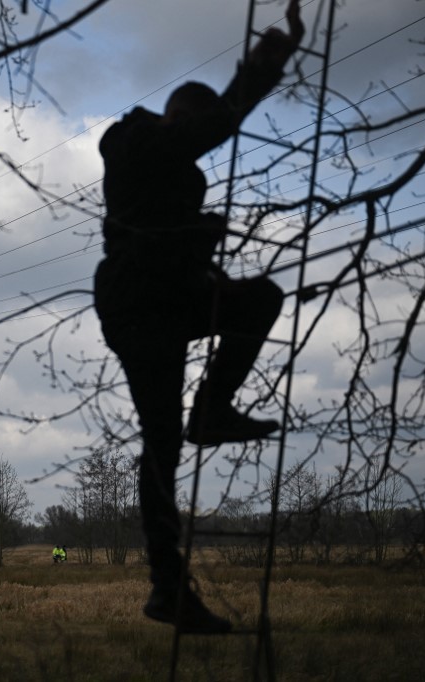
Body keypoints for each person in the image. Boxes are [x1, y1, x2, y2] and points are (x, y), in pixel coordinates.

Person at [93, 1, 304, 633]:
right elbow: (209, 131)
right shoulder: (134, 137)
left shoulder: (173, 171)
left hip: (171, 294)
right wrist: (268, 60)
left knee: (260, 297)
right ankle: (167, 587)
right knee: (159, 444)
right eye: (197, 126)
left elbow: (172, 233)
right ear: (179, 115)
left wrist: (206, 249)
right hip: (138, 302)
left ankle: (211, 410)